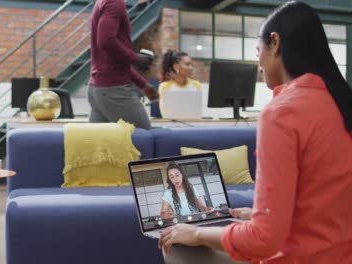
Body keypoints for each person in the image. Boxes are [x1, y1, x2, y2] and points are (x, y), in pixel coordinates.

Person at [158, 1, 352, 264]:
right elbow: (325, 201)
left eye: (258, 50)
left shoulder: (281, 113)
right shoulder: (339, 104)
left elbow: (263, 239)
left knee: (178, 245)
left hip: (299, 257)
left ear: (275, 42)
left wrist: (198, 233)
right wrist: (265, 215)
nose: (258, 63)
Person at [87, 0, 159, 130]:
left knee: (102, 147)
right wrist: (135, 58)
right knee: (143, 138)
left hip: (97, 90)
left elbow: (113, 59)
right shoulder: (115, 3)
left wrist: (142, 84)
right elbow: (106, 41)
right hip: (114, 91)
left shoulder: (103, 2)